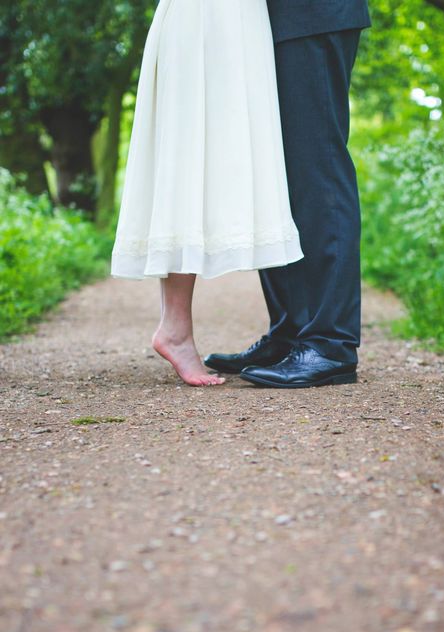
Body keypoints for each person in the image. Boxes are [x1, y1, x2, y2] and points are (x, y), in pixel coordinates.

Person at [111, 0, 303, 387]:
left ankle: (176, 327)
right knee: (189, 157)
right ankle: (175, 329)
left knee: (203, 157)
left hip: (234, 18)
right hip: (209, 18)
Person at [205, 0, 371, 389]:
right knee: (275, 176)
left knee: (318, 167)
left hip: (311, 15)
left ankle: (330, 344)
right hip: (270, 22)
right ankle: (291, 332)